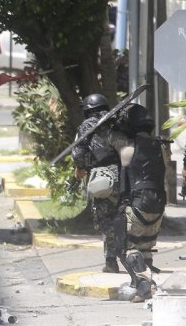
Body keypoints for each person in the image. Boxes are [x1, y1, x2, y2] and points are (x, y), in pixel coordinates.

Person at [108, 104, 167, 299]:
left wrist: (113, 125)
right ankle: (147, 284)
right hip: (158, 207)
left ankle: (143, 285)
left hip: (137, 204)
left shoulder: (127, 149)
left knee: (127, 247)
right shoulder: (161, 148)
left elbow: (110, 139)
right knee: (146, 248)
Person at [72, 93, 123, 273]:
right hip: (126, 173)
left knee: (106, 219)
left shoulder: (87, 126)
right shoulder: (117, 122)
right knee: (125, 214)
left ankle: (111, 261)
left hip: (103, 176)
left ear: (87, 110)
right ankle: (134, 256)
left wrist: (80, 168)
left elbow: (78, 153)